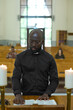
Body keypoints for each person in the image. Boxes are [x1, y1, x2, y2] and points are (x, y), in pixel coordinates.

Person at [12, 29, 59, 104]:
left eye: (37, 42)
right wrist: (17, 93)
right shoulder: (21, 57)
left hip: (44, 97)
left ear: (42, 41)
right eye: (31, 41)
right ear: (28, 40)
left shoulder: (49, 58)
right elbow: (16, 77)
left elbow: (54, 79)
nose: (33, 44)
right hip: (25, 96)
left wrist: (47, 93)